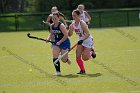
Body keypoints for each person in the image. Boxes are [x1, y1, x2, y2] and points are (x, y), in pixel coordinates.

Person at [68, 9, 96, 74]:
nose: (73, 17)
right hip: (80, 41)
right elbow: (70, 34)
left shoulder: (82, 23)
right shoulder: (73, 24)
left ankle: (92, 51)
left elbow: (88, 33)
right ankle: (82, 70)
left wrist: (82, 40)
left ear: (79, 16)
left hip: (87, 40)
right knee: (77, 56)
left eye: (75, 16)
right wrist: (70, 29)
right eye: (72, 16)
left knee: (85, 58)